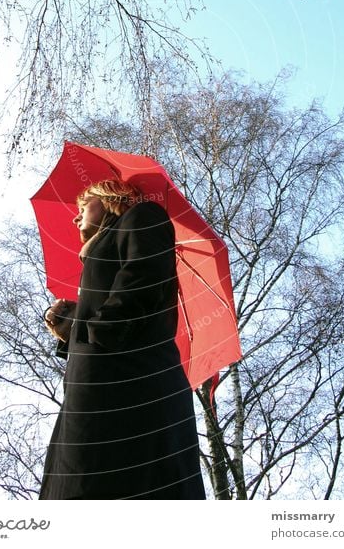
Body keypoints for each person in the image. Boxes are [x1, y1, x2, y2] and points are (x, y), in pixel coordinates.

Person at [39, 179, 206, 500]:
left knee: (124, 479)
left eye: (83, 205)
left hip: (130, 382)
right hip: (96, 386)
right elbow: (115, 303)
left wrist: (98, 331)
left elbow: (142, 279)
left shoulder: (143, 215)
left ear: (111, 199)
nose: (76, 218)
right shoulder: (101, 249)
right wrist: (70, 327)